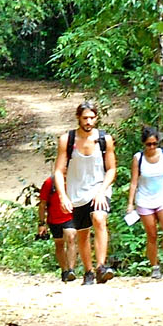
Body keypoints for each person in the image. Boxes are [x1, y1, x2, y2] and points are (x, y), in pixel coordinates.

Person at [53, 100, 117, 284]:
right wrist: (62, 195)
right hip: (76, 191)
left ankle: (101, 266)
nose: (88, 121)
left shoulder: (105, 140)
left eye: (92, 118)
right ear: (78, 119)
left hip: (99, 188)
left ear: (97, 118)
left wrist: (102, 191)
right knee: (82, 233)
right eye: (85, 118)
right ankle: (88, 271)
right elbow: (58, 170)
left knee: (99, 218)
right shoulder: (67, 140)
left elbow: (112, 169)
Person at [125, 126, 163, 279]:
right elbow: (134, 182)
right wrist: (130, 203)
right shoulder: (138, 158)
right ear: (144, 144)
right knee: (152, 234)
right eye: (149, 144)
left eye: (155, 143)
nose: (152, 147)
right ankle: (154, 265)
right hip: (145, 199)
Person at [37, 148, 78, 282]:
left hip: (70, 217)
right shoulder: (50, 183)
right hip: (54, 219)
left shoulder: (76, 180)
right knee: (59, 244)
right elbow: (42, 204)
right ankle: (64, 270)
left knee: (71, 237)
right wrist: (41, 223)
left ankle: (71, 269)